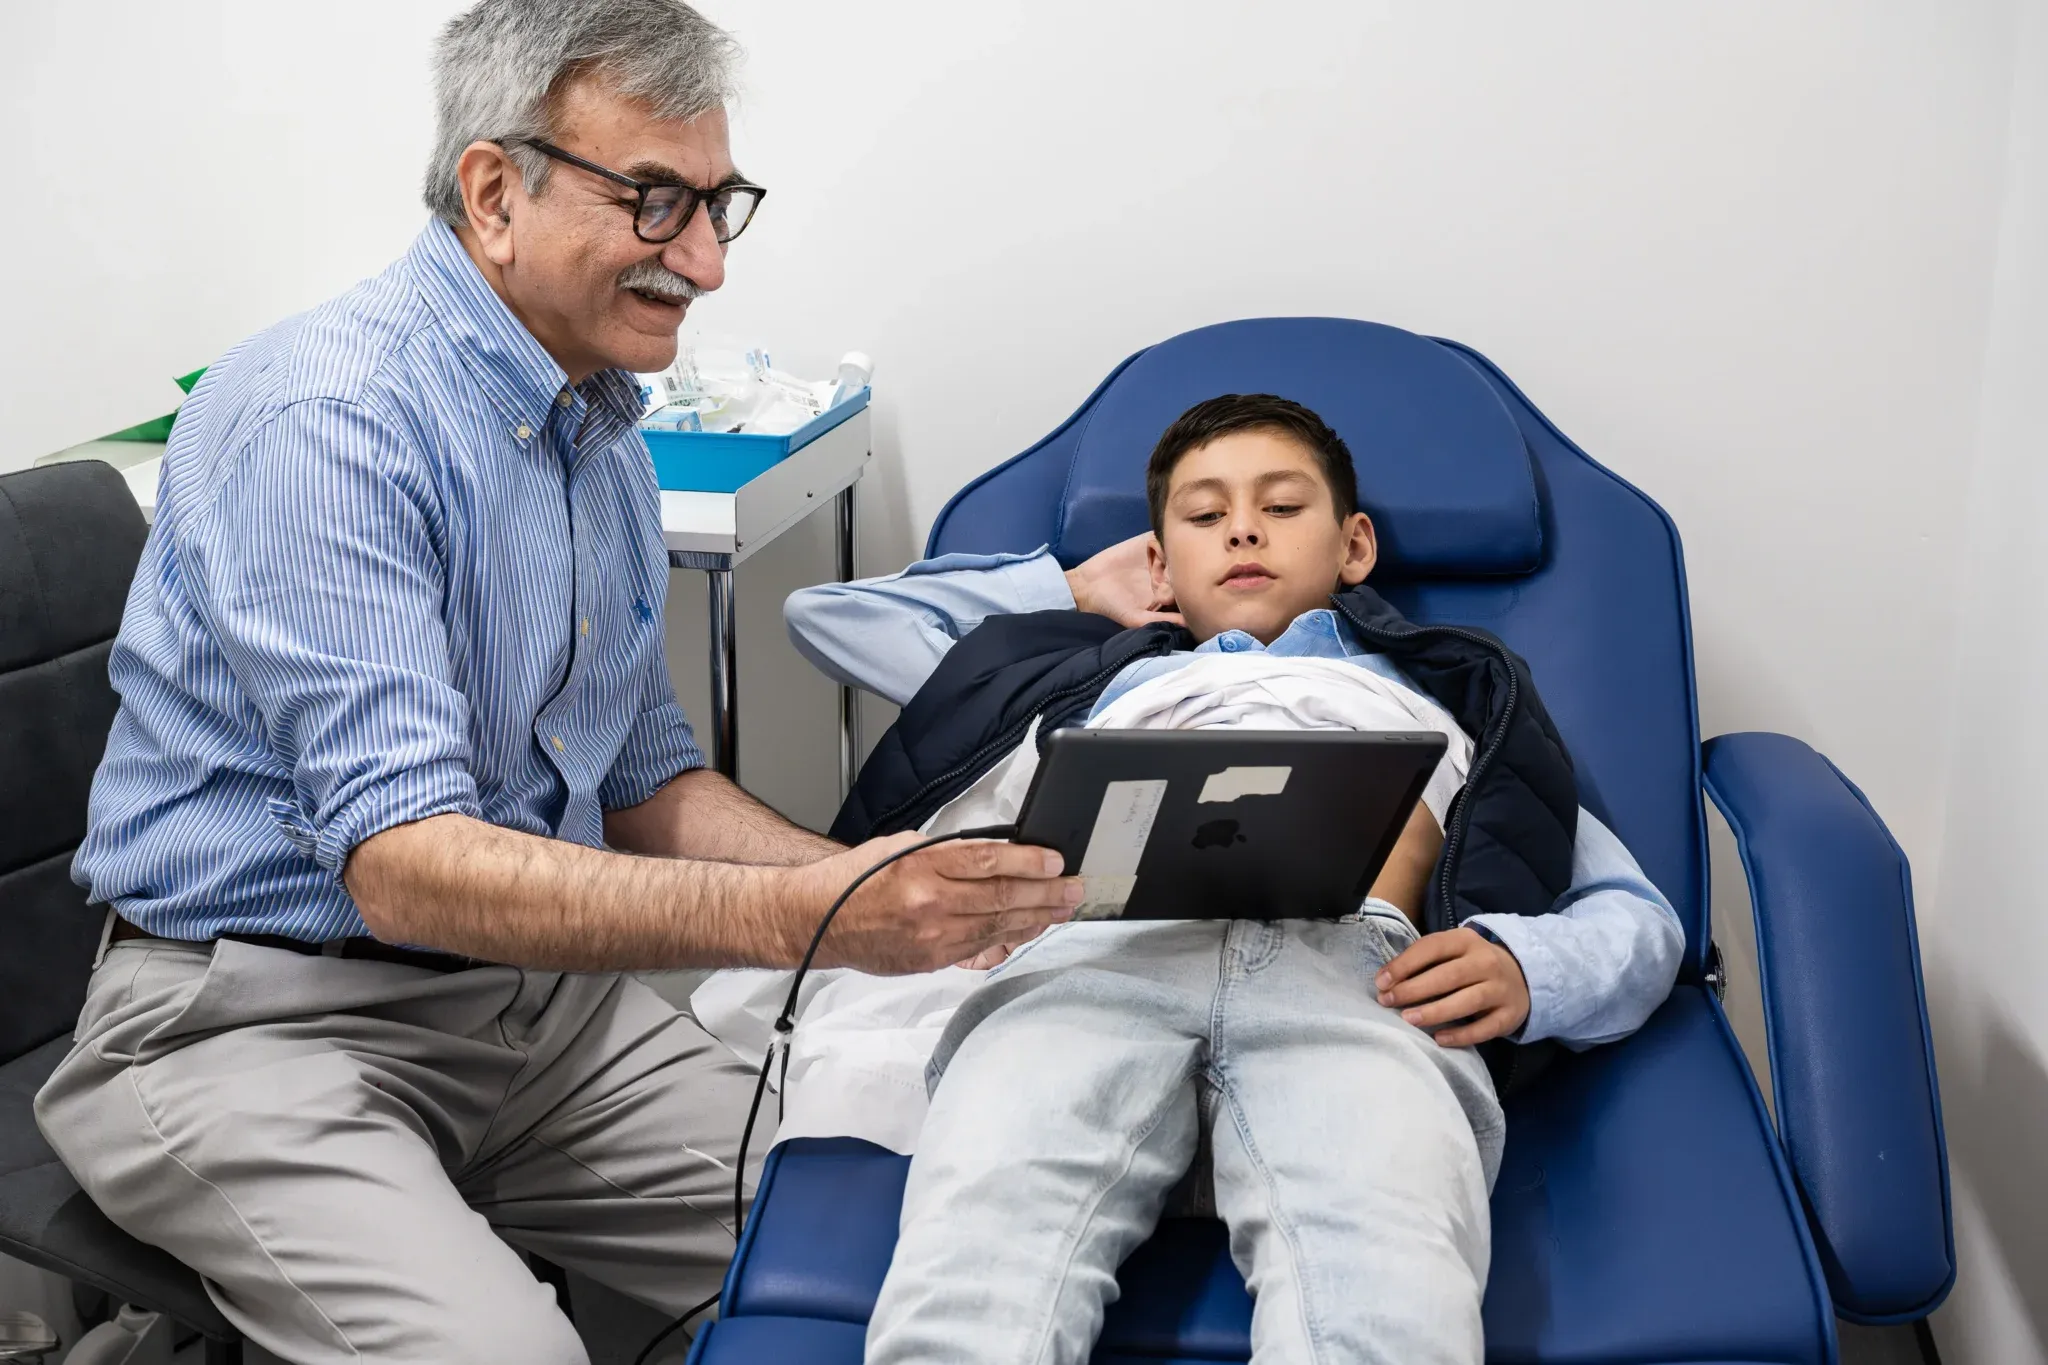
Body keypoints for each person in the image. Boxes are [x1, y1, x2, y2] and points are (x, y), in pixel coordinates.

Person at [33, 3, 1078, 1362]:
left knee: (905, 1256)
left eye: (718, 204)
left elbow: (641, 777)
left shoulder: (598, 428)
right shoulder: (329, 423)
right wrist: (801, 917)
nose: (702, 260)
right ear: (492, 191)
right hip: (252, 1026)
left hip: (521, 1008)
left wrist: (862, 882)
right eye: (655, 202)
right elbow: (403, 865)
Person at [783, 394, 1686, 1364]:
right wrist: (1077, 585)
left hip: (1360, 985)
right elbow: (829, 616)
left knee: (1384, 1300)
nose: (1243, 527)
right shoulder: (1093, 682)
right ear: (1161, 562)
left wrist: (1522, 967)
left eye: (1281, 507)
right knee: (970, 1286)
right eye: (1205, 516)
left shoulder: (1458, 704)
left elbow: (1634, 918)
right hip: (1085, 969)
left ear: (1354, 546)